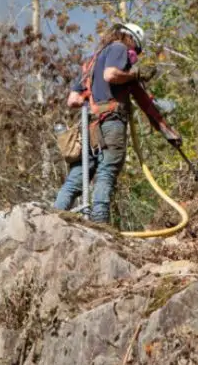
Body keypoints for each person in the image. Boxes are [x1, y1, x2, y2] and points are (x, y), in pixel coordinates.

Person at [54, 22, 182, 224]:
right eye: (136, 49)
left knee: (76, 178)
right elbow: (111, 75)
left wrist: (94, 95)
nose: (133, 56)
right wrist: (136, 74)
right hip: (111, 122)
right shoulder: (119, 48)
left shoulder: (92, 62)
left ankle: (53, 219)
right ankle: (100, 222)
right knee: (107, 170)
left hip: (90, 127)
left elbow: (73, 100)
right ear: (129, 38)